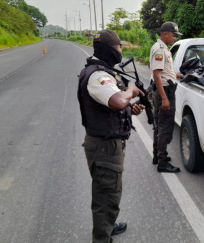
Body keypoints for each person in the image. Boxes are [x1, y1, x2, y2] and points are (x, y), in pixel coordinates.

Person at [77, 30, 146, 243]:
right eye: (119, 47)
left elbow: (114, 105)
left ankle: (107, 225)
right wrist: (131, 92)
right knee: (107, 196)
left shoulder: (104, 71)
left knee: (109, 192)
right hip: (104, 146)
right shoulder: (98, 76)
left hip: (108, 144)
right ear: (110, 49)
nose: (121, 51)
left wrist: (129, 109)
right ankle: (102, 238)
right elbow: (116, 100)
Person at [150, 22, 184, 173]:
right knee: (165, 127)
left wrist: (180, 76)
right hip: (165, 91)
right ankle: (162, 162)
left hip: (165, 89)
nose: (175, 38)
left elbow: (165, 71)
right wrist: (164, 98)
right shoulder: (159, 49)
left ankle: (157, 155)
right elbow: (156, 74)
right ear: (165, 34)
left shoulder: (164, 49)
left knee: (159, 125)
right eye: (174, 35)